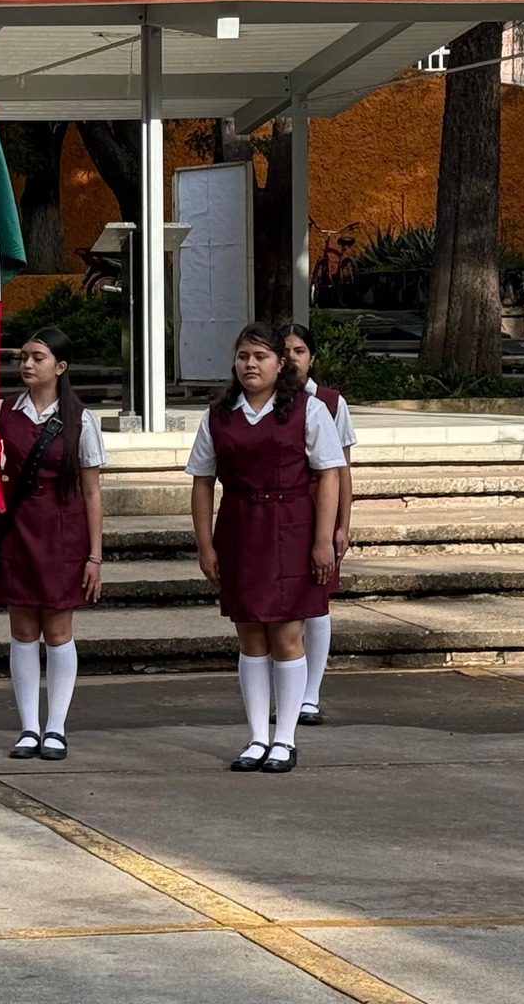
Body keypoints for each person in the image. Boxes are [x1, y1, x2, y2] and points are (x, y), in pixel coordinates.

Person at [188, 322, 345, 775]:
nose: (250, 365)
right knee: (250, 635)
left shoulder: (308, 410)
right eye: (243, 356)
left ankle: (285, 738)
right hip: (240, 527)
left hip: (292, 526)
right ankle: (257, 736)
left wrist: (323, 539)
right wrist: (205, 544)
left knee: (287, 634)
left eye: (260, 357)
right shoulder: (219, 415)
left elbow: (330, 473)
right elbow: (202, 481)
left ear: (280, 363)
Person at [0, 327, 106, 762]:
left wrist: (95, 555)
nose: (27, 364)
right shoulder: (3, 410)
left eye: (38, 357)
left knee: (57, 630)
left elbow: (92, 491)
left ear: (60, 366)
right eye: (23, 357)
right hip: (17, 526)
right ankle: (28, 727)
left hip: (63, 530)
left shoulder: (81, 420)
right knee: (21, 629)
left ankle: (56, 726)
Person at [284, 322, 357, 726]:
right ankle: (288, 689)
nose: (292, 358)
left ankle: (310, 693)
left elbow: (342, 469)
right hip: (283, 512)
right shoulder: (267, 401)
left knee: (317, 598)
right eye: (285, 351)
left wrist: (341, 525)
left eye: (299, 351)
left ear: (312, 358)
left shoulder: (330, 403)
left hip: (320, 509)